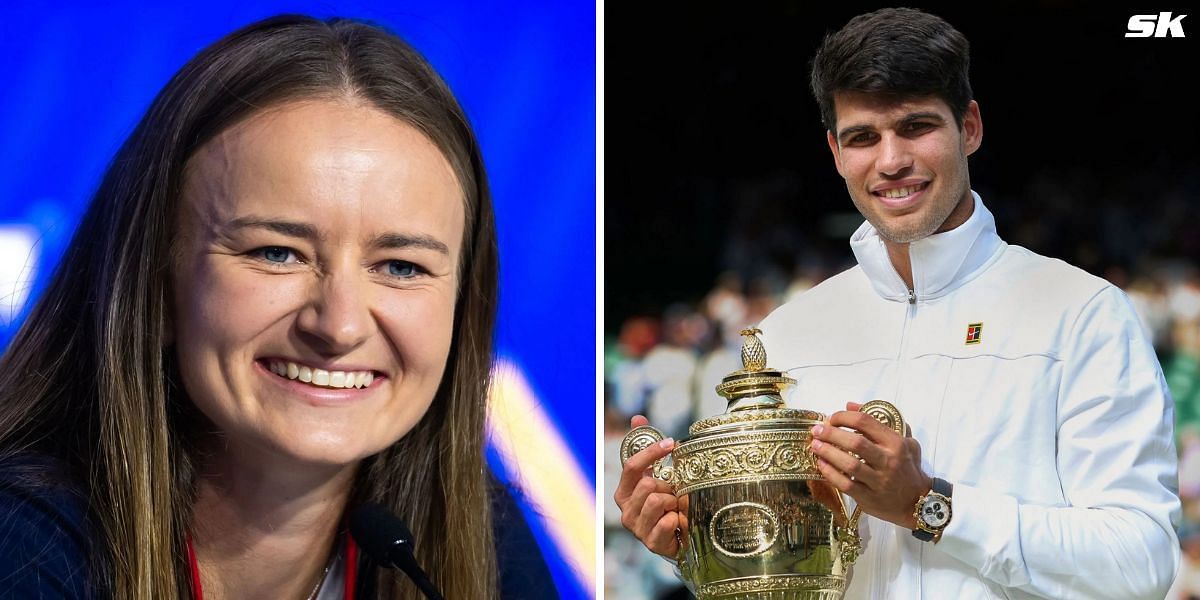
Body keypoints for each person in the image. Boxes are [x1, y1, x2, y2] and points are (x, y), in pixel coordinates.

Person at [615, 7, 1180, 599]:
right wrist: (699, 543)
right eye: (863, 137)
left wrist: (927, 504)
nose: (891, 161)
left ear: (970, 128)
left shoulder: (1081, 312)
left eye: (915, 127)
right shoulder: (784, 338)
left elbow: (1138, 565)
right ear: (835, 152)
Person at [0, 14, 555, 599]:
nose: (338, 325)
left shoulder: (473, 536)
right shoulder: (22, 547)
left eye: (400, 266)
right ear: (155, 285)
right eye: (277, 253)